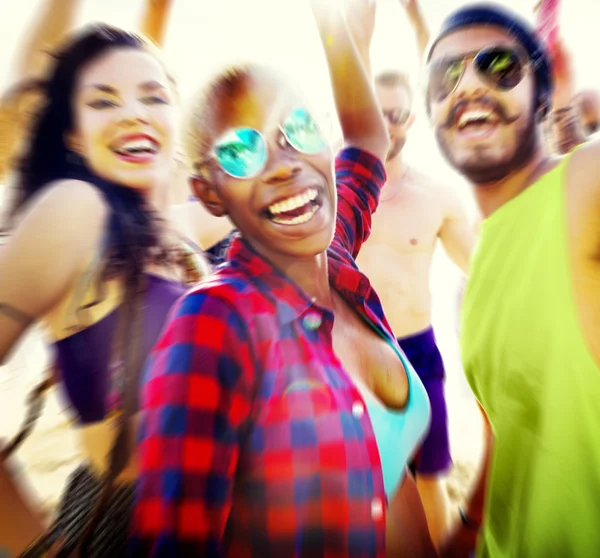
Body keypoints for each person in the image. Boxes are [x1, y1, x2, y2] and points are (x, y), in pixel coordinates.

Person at [130, 2, 436, 556]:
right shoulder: (215, 325)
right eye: (242, 152)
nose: (282, 164)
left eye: (296, 128)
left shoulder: (335, 259)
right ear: (208, 193)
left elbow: (368, 140)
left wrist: (330, 22)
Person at [0, 23, 207, 556]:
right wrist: (34, 547)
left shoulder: (172, 231)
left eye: (153, 96)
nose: (134, 113)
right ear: (73, 136)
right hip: (129, 522)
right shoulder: (77, 210)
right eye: (103, 101)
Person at [424, 3, 600, 556]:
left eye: (498, 66)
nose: (469, 84)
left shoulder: (582, 187)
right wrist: (468, 527)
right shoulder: (470, 280)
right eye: (445, 77)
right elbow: (507, 424)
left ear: (542, 97)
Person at [344, 0, 475, 547]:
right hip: (353, 354)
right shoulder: (334, 187)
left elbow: (486, 271)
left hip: (419, 354)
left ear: (413, 119)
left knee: (430, 480)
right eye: (379, 110)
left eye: (399, 112)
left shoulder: (437, 196)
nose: (389, 122)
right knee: (358, 486)